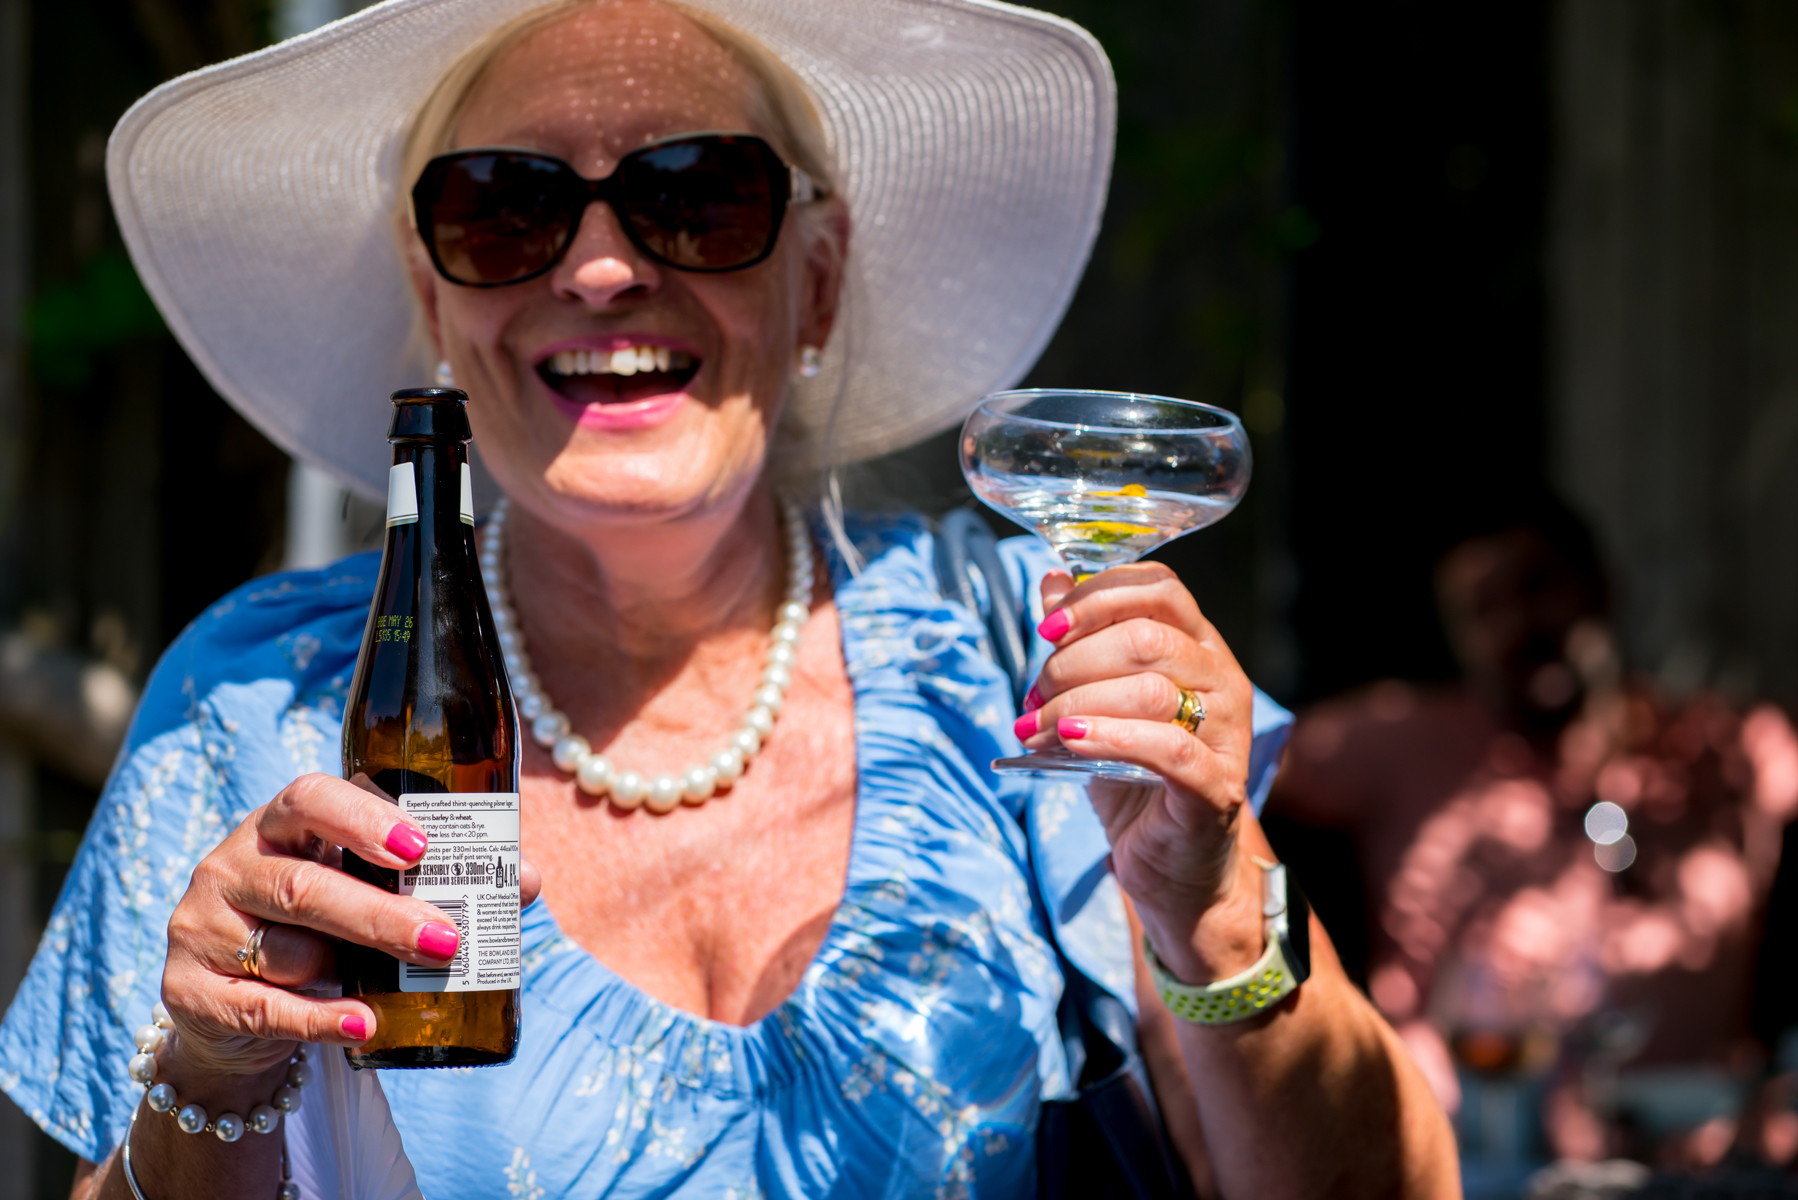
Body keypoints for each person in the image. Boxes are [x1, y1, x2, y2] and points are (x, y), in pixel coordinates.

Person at [0, 0, 1457, 1195]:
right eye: (504, 209)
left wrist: (1215, 912)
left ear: (816, 283)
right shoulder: (260, 699)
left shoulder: (1026, 648)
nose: (601, 267)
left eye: (697, 196)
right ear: (435, 297)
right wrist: (210, 1078)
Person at [1270, 496, 1798, 1174]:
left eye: (1538, 586)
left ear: (1602, 587)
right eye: (1482, 610)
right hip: (1465, 1152)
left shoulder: (1729, 752)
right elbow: (1228, 754)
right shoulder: (1404, 740)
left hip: (1702, 1153)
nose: (1518, 625)